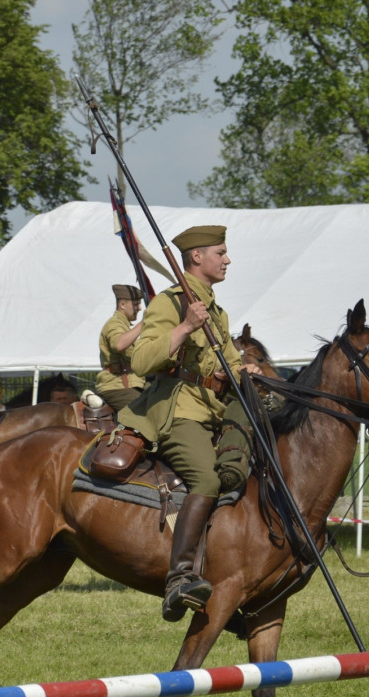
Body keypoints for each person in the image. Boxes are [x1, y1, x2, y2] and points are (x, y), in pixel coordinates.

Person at [117, 224, 262, 622]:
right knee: (208, 480)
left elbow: (227, 363)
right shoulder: (171, 303)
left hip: (212, 411)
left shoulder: (216, 310)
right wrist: (184, 328)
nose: (227, 259)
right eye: (221, 252)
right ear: (197, 257)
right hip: (177, 412)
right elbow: (141, 361)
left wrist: (244, 368)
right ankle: (179, 577)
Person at [95, 284, 146, 410]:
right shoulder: (115, 324)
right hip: (117, 386)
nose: (139, 308)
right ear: (122, 305)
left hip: (130, 382)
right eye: (135, 304)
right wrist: (144, 322)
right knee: (147, 418)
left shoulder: (125, 326)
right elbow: (119, 344)